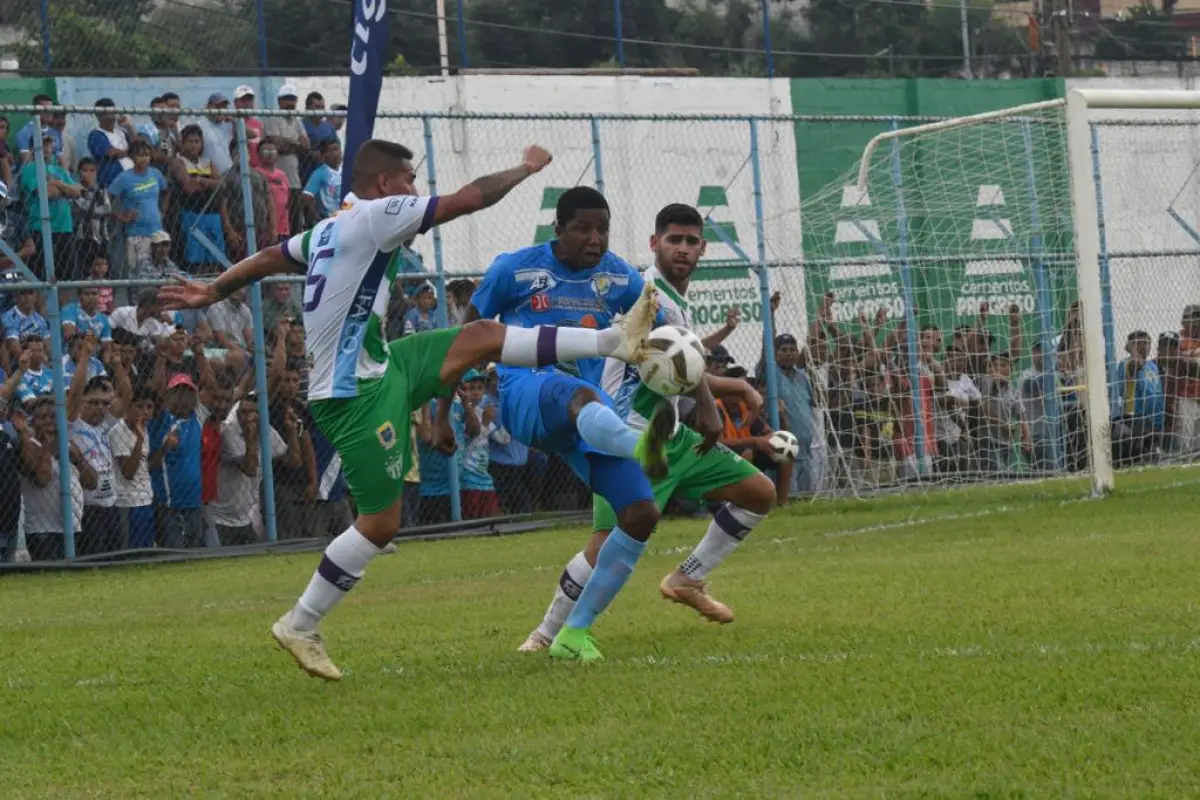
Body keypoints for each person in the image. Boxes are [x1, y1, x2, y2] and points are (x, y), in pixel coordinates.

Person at [159, 138, 658, 681]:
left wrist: (213, 289)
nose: (415, 192)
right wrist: (527, 167)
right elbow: (468, 199)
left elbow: (272, 256)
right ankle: (302, 622)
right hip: (353, 394)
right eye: (409, 181)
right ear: (383, 186)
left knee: (483, 334)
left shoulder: (333, 225)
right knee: (381, 522)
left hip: (383, 364)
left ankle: (611, 342)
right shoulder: (378, 215)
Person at [517, 204, 775, 653]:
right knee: (603, 545)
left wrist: (728, 392)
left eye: (691, 242)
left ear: (702, 250)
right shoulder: (648, 295)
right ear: (655, 244)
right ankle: (545, 633)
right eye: (673, 240)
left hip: (672, 435)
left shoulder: (674, 302)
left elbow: (680, 368)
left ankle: (689, 578)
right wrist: (726, 395)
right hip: (629, 438)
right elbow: (684, 371)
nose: (683, 249)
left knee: (758, 492)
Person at [465, 186, 678, 663]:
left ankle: (570, 635)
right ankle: (640, 443)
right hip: (526, 394)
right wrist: (444, 405)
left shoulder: (617, 275)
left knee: (640, 514)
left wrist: (694, 386)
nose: (595, 238)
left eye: (602, 228)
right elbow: (467, 333)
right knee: (580, 395)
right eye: (583, 227)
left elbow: (665, 332)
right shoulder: (514, 269)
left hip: (587, 417)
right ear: (558, 229)